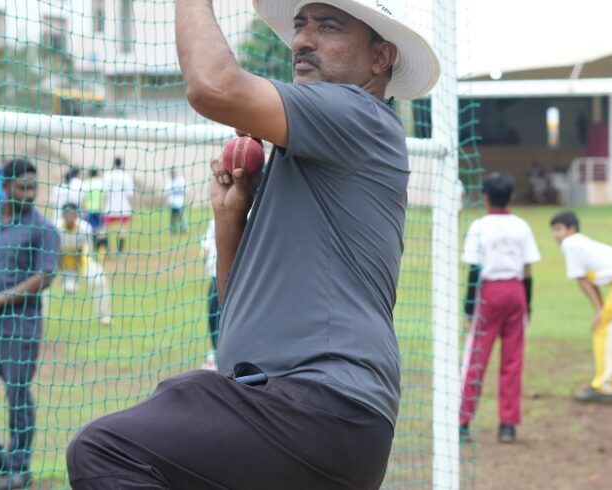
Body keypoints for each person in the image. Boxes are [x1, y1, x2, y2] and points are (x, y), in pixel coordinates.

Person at [65, 0, 440, 488]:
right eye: (300, 25)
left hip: (319, 405)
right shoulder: (315, 149)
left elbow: (213, 86)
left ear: (380, 57)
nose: (303, 40)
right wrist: (230, 218)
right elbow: (241, 311)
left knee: (105, 450)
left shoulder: (355, 110)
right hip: (314, 415)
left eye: (328, 27)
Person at [0, 158, 60, 489]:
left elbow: (45, 275)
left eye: (33, 188)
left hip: (19, 326)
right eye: (23, 188)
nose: (29, 194)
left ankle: (18, 467)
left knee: (17, 394)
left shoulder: (44, 229)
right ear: (6, 186)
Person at [459, 172, 540, 444]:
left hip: (489, 294)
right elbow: (527, 270)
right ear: (511, 196)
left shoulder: (480, 226)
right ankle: (507, 425)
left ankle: (462, 422)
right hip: (516, 293)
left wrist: (468, 309)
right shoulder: (521, 226)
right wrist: (528, 306)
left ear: (485, 197)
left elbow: (474, 270)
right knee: (513, 361)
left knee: (476, 358)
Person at [550, 210, 612, 403]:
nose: (556, 235)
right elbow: (588, 280)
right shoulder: (579, 243)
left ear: (572, 229)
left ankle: (604, 386)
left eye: (559, 229)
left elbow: (582, 281)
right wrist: (600, 309)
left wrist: (599, 311)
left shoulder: (571, 243)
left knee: (605, 330)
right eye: (554, 230)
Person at [57, 203, 112, 326]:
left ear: (77, 215)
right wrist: (62, 273)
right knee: (40, 281)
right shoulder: (56, 228)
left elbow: (85, 251)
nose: (69, 217)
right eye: (67, 214)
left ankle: (103, 314)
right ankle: (38, 316)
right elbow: (55, 252)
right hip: (60, 262)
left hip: (82, 261)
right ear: (62, 215)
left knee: (99, 280)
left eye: (72, 214)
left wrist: (75, 271)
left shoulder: (84, 228)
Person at [101, 157, 136, 256]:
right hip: (123, 207)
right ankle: (119, 252)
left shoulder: (107, 175)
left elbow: (105, 193)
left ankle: (105, 250)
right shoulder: (126, 176)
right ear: (122, 164)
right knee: (123, 228)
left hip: (110, 207)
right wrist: (131, 208)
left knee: (104, 229)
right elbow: (130, 194)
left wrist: (104, 207)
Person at [200, 215, 220, 370]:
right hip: (216, 277)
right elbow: (205, 248)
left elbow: (205, 249)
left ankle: (217, 356)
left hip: (226, 278)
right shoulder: (214, 221)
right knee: (214, 318)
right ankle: (215, 355)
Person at [81, 169, 105, 257]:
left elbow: (83, 198)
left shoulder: (86, 183)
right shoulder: (101, 183)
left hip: (89, 209)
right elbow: (105, 196)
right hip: (100, 209)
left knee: (92, 229)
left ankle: (94, 248)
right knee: (102, 230)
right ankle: (101, 250)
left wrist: (83, 210)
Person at [163, 167, 188, 234]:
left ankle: (183, 229)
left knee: (181, 216)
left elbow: (186, 191)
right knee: (173, 218)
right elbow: (166, 193)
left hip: (180, 203)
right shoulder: (169, 181)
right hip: (172, 203)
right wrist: (166, 202)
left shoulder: (181, 180)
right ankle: (173, 230)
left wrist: (185, 200)